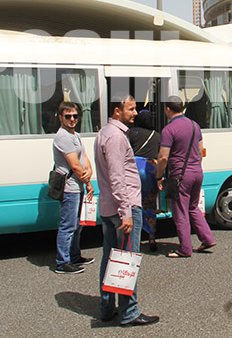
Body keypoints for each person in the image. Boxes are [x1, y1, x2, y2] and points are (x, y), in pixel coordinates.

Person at [95, 94, 159, 327]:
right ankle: (129, 311)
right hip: (124, 206)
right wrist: (126, 212)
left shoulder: (105, 133)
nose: (135, 113)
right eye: (130, 109)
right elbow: (117, 177)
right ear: (117, 111)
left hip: (110, 206)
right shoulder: (115, 137)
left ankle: (107, 306)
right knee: (126, 259)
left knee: (111, 257)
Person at [156, 96, 215, 258]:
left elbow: (163, 157)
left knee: (180, 212)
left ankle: (185, 249)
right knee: (193, 207)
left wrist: (159, 176)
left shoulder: (169, 129)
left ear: (168, 109)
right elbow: (200, 150)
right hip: (197, 172)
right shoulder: (195, 125)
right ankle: (207, 238)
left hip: (180, 176)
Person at [52, 101, 95, 274]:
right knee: (68, 225)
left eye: (75, 116)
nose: (72, 119)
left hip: (78, 186)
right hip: (69, 188)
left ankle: (75, 255)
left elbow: (84, 158)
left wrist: (89, 172)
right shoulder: (63, 137)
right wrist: (88, 183)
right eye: (68, 116)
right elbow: (75, 165)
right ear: (60, 117)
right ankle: (62, 262)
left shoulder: (75, 135)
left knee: (78, 224)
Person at [128, 110, 161, 252]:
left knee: (133, 202)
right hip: (151, 169)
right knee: (150, 203)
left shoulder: (131, 133)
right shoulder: (157, 135)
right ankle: (151, 237)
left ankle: (135, 236)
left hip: (135, 168)